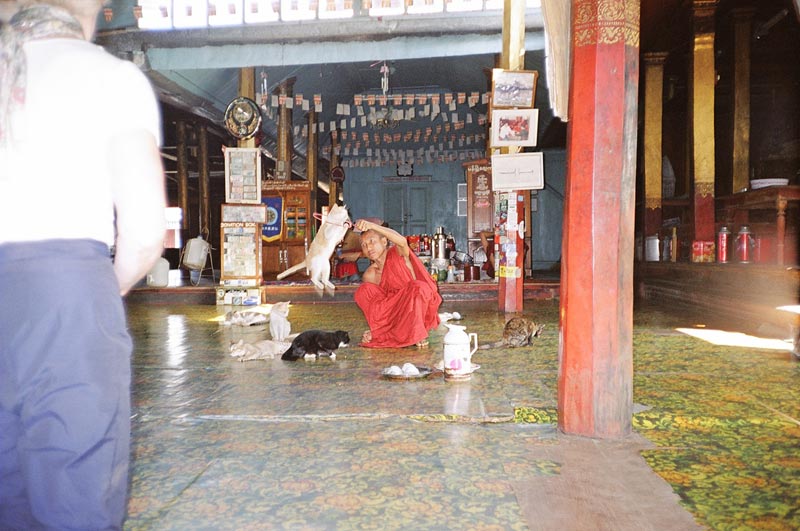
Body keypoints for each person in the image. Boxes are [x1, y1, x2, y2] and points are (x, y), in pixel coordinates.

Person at [0, 2, 166, 529]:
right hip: (67, 289)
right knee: (74, 484)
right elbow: (143, 234)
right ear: (100, 10)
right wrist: (100, 289)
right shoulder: (108, 77)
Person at [353, 219, 442, 348]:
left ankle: (417, 333)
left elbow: (401, 241)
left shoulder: (398, 253)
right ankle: (381, 332)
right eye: (364, 245)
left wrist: (372, 226)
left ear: (384, 242)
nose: (369, 248)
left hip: (414, 307)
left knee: (418, 287)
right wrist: (374, 329)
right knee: (363, 291)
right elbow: (378, 308)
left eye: (372, 242)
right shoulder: (370, 275)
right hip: (395, 314)